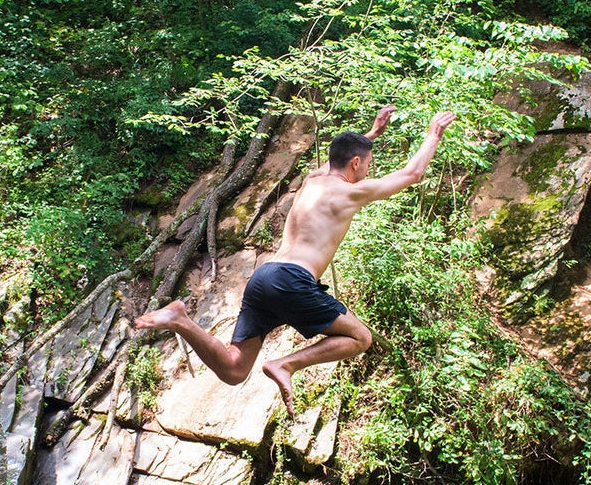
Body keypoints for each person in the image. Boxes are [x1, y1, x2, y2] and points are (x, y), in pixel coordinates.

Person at [135, 106, 456, 414]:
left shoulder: (312, 180)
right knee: (361, 337)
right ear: (356, 163)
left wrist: (371, 133)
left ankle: (181, 319)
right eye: (368, 164)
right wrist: (434, 134)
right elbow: (412, 173)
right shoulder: (347, 193)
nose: (369, 171)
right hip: (293, 281)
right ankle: (284, 364)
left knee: (234, 370)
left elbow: (340, 158)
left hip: (264, 278)